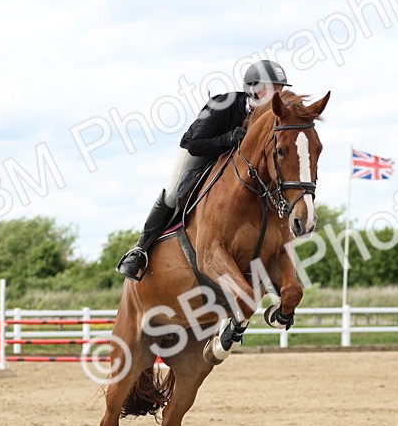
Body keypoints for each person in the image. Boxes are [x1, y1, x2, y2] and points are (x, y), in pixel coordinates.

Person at [116, 60, 292, 281]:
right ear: (254, 87)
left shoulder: (271, 117)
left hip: (233, 162)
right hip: (200, 151)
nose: (279, 93)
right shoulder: (223, 104)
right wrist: (228, 138)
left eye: (280, 88)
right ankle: (140, 250)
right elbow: (195, 144)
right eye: (273, 87)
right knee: (173, 193)